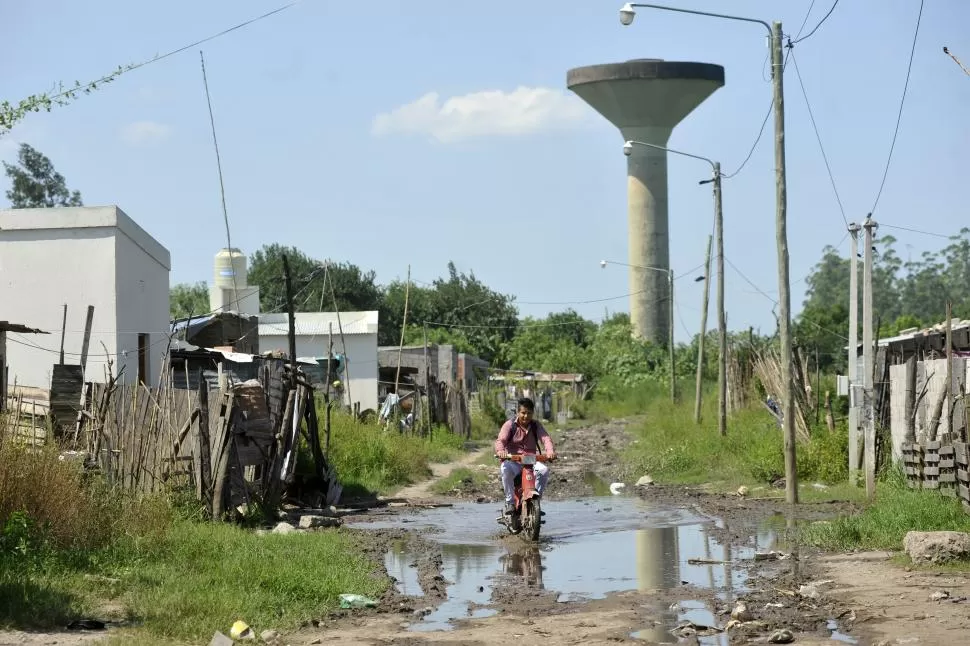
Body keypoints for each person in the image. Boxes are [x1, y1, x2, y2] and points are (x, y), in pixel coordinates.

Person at [494, 397, 556, 516]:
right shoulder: (509, 425)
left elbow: (546, 439)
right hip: (513, 460)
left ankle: (535, 502)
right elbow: (500, 440)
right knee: (505, 469)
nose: (526, 416)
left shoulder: (535, 425)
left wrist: (550, 452)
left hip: (530, 460)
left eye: (529, 413)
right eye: (523, 413)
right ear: (518, 412)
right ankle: (510, 502)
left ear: (533, 413)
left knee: (544, 470)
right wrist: (501, 451)